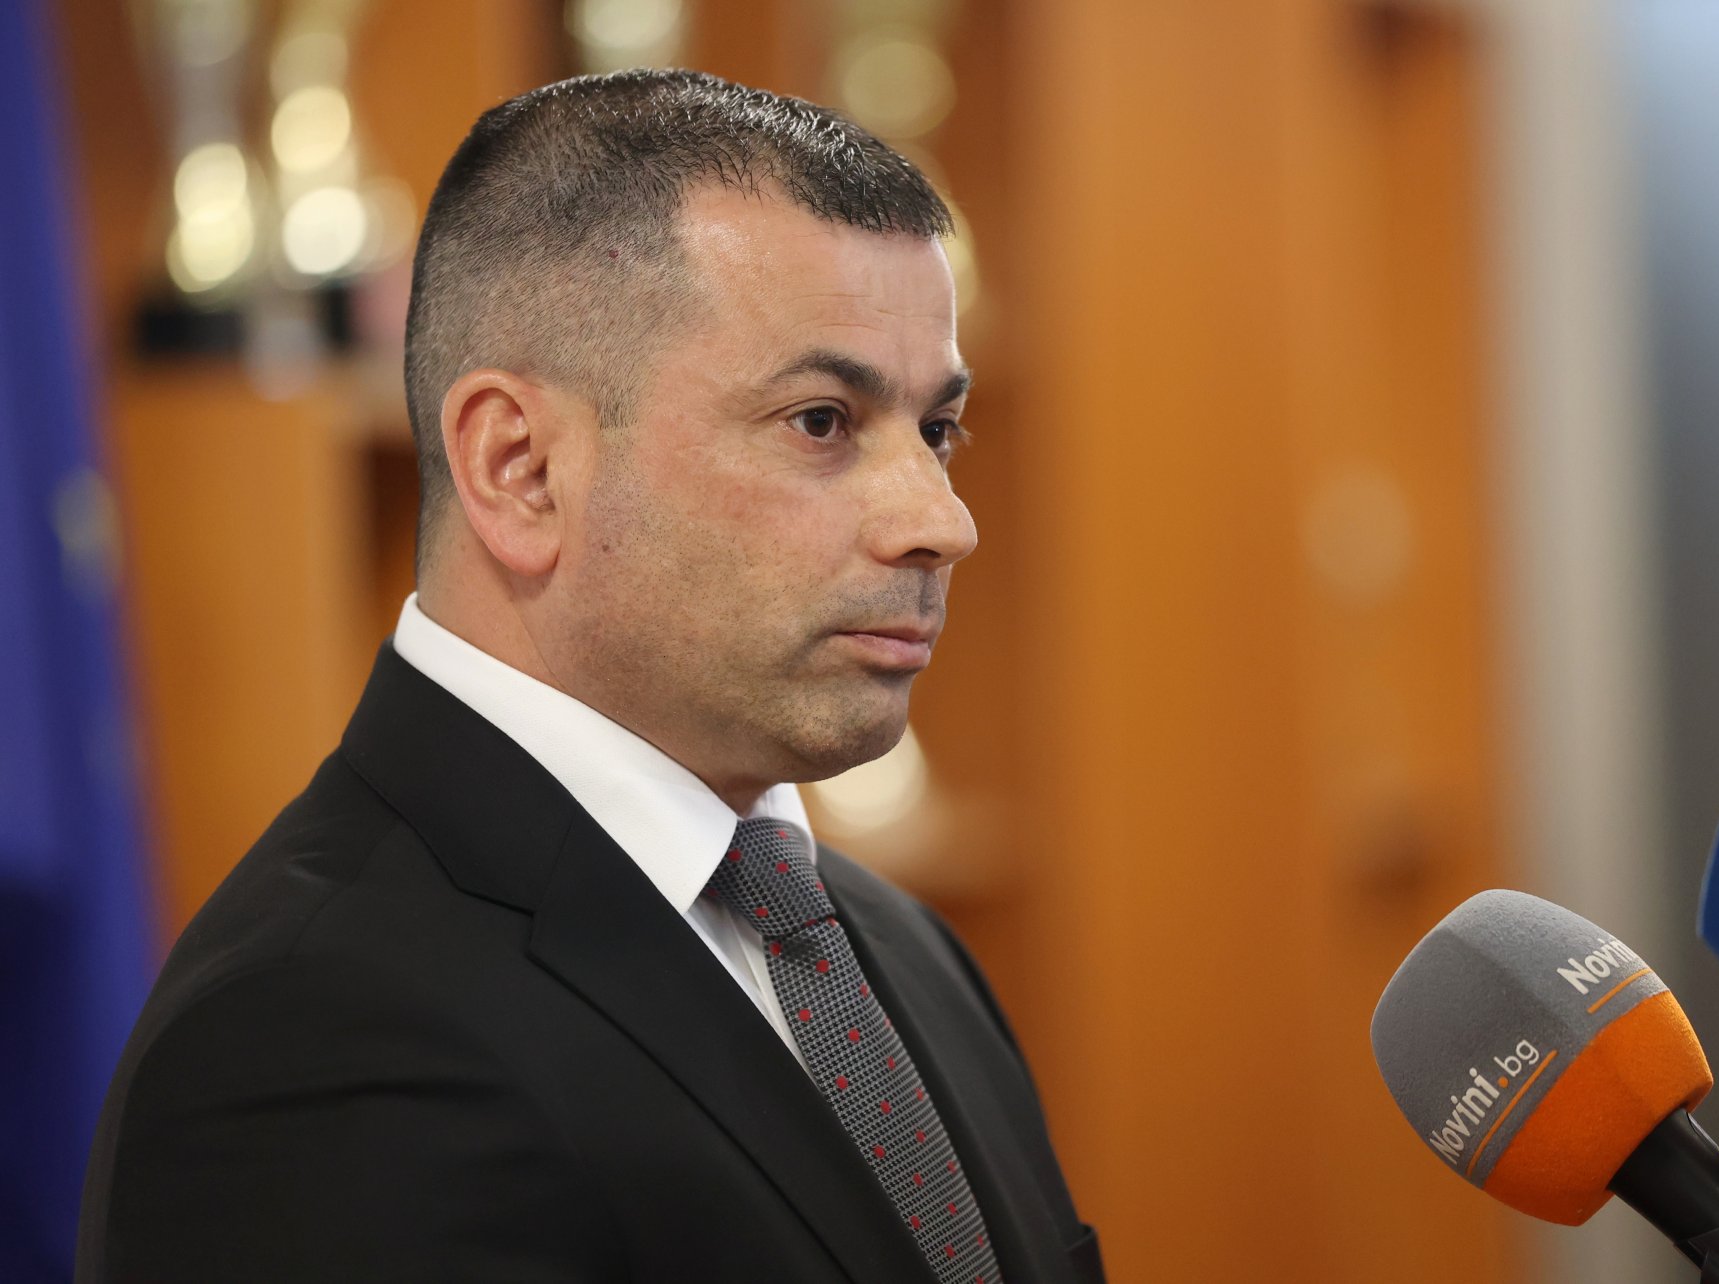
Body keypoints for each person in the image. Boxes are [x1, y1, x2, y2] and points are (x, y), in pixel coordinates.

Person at [76, 69, 1102, 1284]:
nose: (941, 522)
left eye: (936, 431)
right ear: (519, 468)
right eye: (822, 421)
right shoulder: (310, 1037)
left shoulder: (899, 950)